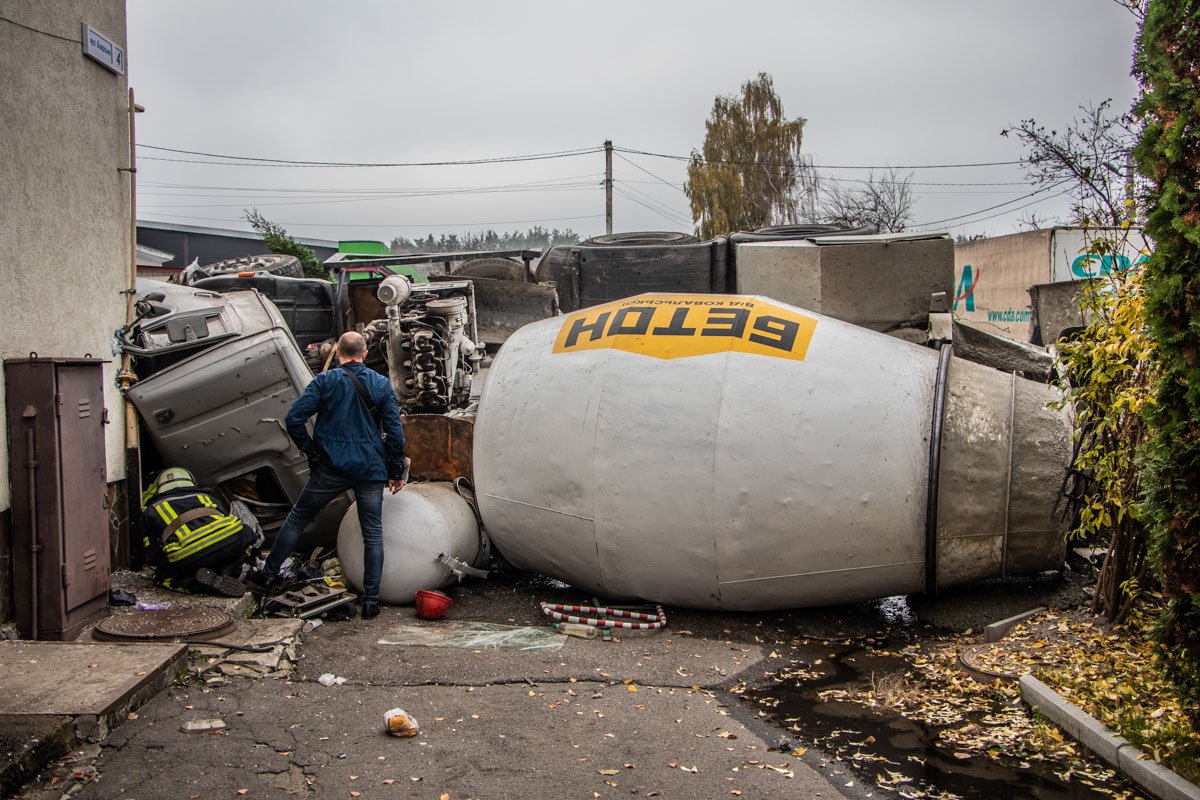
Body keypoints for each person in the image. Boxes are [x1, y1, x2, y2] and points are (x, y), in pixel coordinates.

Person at [248, 331, 406, 619]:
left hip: (331, 467)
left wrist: (312, 451)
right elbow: (395, 433)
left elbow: (294, 418)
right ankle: (370, 601)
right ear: (365, 352)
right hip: (370, 468)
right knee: (372, 534)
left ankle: (268, 574)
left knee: (298, 518)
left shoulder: (324, 381)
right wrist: (395, 472)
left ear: (336, 351)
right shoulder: (380, 384)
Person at [139, 467, 252, 597]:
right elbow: (225, 518)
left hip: (190, 554)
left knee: (161, 578)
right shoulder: (207, 497)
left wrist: (167, 568)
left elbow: (153, 550)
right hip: (230, 543)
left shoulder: (152, 510)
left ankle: (195, 584)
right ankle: (229, 570)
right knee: (246, 535)